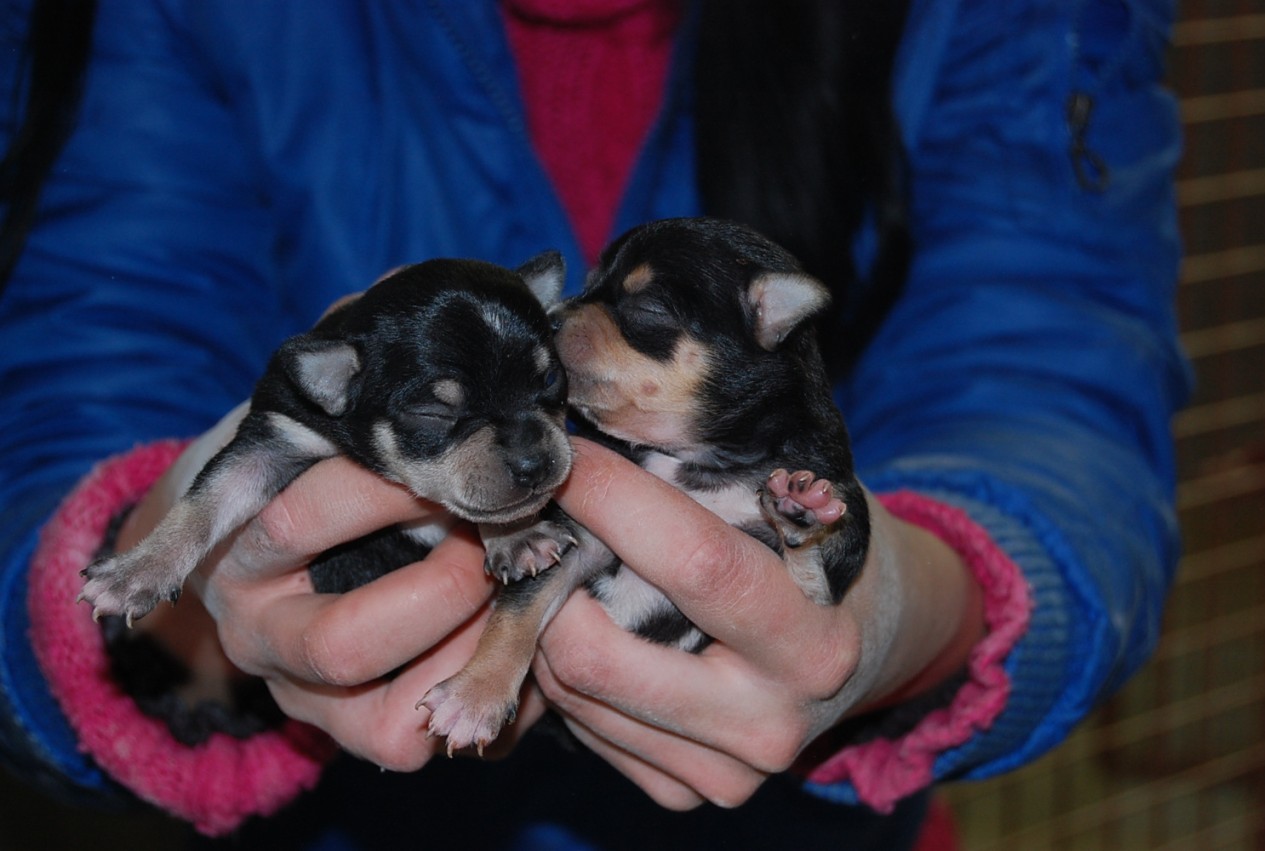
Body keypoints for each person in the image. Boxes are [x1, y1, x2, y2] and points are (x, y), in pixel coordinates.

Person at [0, 1, 1189, 848]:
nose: (570, 368)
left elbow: (1047, 372)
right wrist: (173, 597)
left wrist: (917, 612)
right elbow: (87, 361)